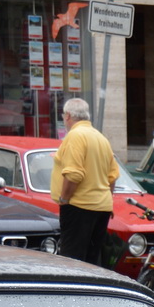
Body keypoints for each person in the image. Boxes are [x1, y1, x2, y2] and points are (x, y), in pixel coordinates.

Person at [49, 97, 119, 266]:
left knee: (72, 261)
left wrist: (64, 200)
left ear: (67, 116)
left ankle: (73, 292)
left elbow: (73, 175)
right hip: (101, 207)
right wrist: (107, 198)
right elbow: (113, 176)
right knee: (92, 260)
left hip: (79, 206)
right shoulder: (100, 137)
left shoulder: (75, 136)